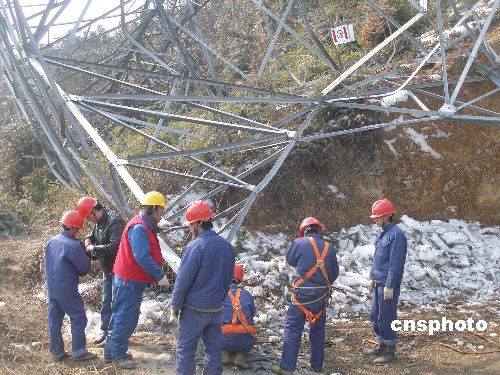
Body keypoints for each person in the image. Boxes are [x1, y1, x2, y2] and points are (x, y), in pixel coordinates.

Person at [104, 191, 169, 369]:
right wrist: (159, 275)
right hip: (129, 281)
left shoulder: (143, 224)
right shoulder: (140, 227)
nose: (162, 213)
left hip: (128, 279)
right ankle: (118, 355)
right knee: (126, 318)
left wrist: (158, 227)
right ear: (153, 209)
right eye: (161, 210)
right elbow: (141, 255)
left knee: (119, 316)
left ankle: (111, 352)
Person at [170, 200, 235, 375]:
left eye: (191, 225)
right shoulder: (227, 247)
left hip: (194, 309)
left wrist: (175, 307)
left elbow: (183, 280)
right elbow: (228, 278)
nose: (190, 229)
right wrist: (220, 301)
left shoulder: (195, 246)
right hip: (215, 308)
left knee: (186, 350)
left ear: (198, 223)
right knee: (213, 351)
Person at [272, 217, 339, 375]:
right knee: (318, 330)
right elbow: (334, 273)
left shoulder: (299, 243)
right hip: (320, 296)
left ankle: (287, 368)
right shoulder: (329, 248)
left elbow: (290, 260)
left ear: (304, 231)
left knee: (293, 328)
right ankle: (316, 366)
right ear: (318, 230)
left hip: (301, 294)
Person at [45, 210, 97, 362]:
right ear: (73, 228)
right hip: (67, 289)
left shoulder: (51, 241)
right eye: (78, 229)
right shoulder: (73, 246)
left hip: (52, 289)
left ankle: (56, 352)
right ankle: (79, 351)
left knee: (54, 321)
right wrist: (88, 255)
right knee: (79, 318)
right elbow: (83, 269)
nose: (78, 232)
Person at [364, 199, 407, 364]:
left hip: (388, 284)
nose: (375, 220)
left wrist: (390, 285)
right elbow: (377, 258)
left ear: (388, 216)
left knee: (387, 317)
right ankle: (381, 344)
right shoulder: (382, 232)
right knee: (375, 316)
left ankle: (390, 350)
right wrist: (371, 277)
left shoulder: (397, 235)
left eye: (377, 217)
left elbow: (396, 263)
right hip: (378, 281)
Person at [77, 197, 124, 345]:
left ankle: (114, 335)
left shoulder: (114, 222)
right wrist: (88, 241)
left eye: (89, 217)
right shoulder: (99, 222)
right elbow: (91, 235)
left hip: (118, 270)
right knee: (106, 302)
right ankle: (105, 330)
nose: (90, 221)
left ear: (94, 212)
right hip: (107, 269)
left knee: (117, 303)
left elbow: (115, 246)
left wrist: (95, 248)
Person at [221, 264, 257, 369]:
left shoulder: (219, 293)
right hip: (247, 341)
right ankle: (241, 354)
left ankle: (223, 352)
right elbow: (252, 314)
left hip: (223, 339)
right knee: (243, 337)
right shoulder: (247, 294)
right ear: (240, 279)